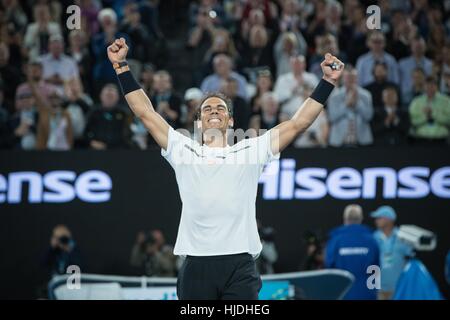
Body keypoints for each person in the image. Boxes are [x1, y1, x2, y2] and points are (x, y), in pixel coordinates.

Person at [107, 37, 344, 300]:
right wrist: (121, 67)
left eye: (220, 108)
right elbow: (146, 113)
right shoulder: (183, 149)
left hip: (240, 266)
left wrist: (328, 82)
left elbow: (298, 123)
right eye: (207, 109)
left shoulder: (252, 150)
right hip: (196, 265)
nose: (214, 111)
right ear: (198, 123)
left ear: (230, 120)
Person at [325, 204, 380, 300]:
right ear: (361, 219)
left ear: (345, 219)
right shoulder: (371, 239)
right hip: (366, 293)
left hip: (342, 292)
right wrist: (374, 292)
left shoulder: (336, 240)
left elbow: (329, 265)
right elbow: (376, 268)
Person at [371, 206, 413, 300]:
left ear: (389, 219)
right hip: (378, 289)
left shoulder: (403, 237)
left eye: (379, 218)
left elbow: (411, 261)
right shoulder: (373, 238)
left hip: (399, 288)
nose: (376, 221)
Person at [328, 66, 374, 147]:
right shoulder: (334, 96)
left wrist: (357, 103)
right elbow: (332, 117)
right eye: (348, 77)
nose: (350, 80)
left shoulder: (366, 95)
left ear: (357, 78)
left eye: (353, 77)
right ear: (343, 79)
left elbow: (368, 117)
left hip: (362, 141)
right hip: (339, 142)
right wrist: (346, 104)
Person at [84, 83, 131, 150]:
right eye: (107, 95)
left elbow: (130, 131)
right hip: (98, 151)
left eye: (111, 96)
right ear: (101, 96)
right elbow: (85, 132)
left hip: (120, 150)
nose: (109, 98)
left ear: (117, 97)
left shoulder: (124, 113)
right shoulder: (94, 112)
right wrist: (91, 142)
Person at [409, 76, 450, 145]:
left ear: (437, 87)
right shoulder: (416, 102)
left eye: (432, 85)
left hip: (442, 139)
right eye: (427, 86)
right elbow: (412, 122)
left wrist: (433, 114)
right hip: (421, 139)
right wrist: (426, 117)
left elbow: (448, 120)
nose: (430, 88)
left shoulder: (446, 101)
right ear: (423, 87)